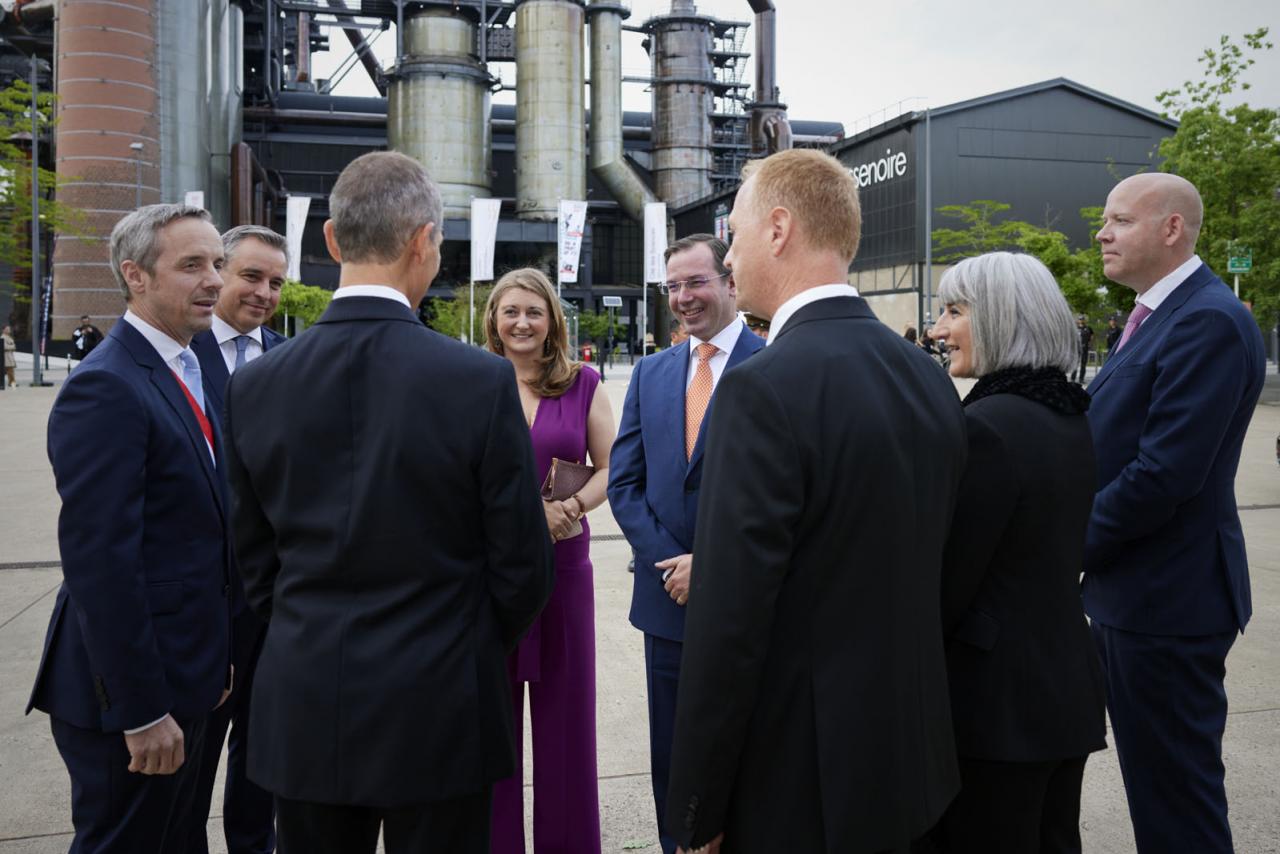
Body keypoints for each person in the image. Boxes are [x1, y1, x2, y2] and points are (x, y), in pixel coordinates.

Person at [222, 151, 554, 854]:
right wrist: (466, 645)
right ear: (423, 243)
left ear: (334, 242)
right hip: (442, 702)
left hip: (306, 698)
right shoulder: (480, 381)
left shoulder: (254, 385)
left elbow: (253, 560)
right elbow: (522, 564)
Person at [664, 149, 967, 853]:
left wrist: (699, 805)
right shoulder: (925, 376)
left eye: (734, 235)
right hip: (911, 764)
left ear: (777, 229)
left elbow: (730, 618)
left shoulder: (761, 388)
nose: (730, 256)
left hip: (802, 780)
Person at [26, 203, 234, 852]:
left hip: (189, 676)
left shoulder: (194, 364)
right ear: (135, 276)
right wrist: (141, 710)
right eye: (192, 265)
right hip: (132, 699)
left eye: (218, 264)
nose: (214, 281)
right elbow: (101, 565)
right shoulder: (106, 387)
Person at [1085, 172, 1265, 853]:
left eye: (1120, 220)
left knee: (1176, 805)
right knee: (1161, 794)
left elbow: (1164, 476)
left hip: (1167, 603)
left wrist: (1064, 544)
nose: (1102, 232)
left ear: (1171, 229)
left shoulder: (1208, 320)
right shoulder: (1161, 316)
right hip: (1140, 596)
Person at [930, 252, 1107, 853]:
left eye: (954, 311)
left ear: (1002, 317)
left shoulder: (990, 424)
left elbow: (949, 581)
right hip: (1060, 692)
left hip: (995, 706)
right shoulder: (1065, 413)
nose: (936, 329)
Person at [608, 234, 764, 854]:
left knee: (748, 748)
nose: (682, 298)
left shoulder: (775, 361)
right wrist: (669, 561)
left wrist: (715, 565)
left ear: (730, 282)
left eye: (695, 282)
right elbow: (624, 481)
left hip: (746, 601)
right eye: (671, 286)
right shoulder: (651, 371)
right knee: (672, 753)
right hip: (665, 601)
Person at [484, 267, 616, 854]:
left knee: (567, 724)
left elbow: (612, 466)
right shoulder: (473, 383)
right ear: (493, 318)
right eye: (511, 311)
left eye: (534, 312)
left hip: (565, 571)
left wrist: (573, 507)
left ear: (552, 321)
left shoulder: (584, 383)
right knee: (494, 729)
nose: (522, 322)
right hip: (492, 576)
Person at [189, 224, 289, 854]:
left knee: (263, 758)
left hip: (274, 604)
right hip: (204, 605)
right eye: (251, 276)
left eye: (276, 282)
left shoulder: (290, 356)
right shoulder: (180, 352)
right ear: (219, 272)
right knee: (190, 770)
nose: (264, 292)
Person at [1072, 315, 1093, 383]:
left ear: (1084, 320)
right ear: (1078, 320)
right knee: (1075, 364)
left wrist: (1090, 344)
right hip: (1077, 349)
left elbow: (1092, 336)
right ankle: (1073, 378)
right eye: (1080, 319)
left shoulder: (1088, 328)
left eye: (1082, 319)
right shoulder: (1075, 328)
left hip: (1085, 348)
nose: (1081, 321)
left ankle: (1081, 379)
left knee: (1083, 365)